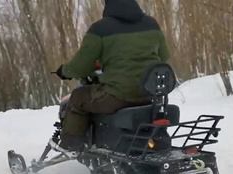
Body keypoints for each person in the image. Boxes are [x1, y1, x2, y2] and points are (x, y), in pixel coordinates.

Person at [55, 0, 170, 153]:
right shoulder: (151, 24)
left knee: (78, 97)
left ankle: (70, 146)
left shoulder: (100, 29)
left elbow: (81, 66)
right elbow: (164, 56)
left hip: (118, 97)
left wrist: (64, 71)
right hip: (149, 95)